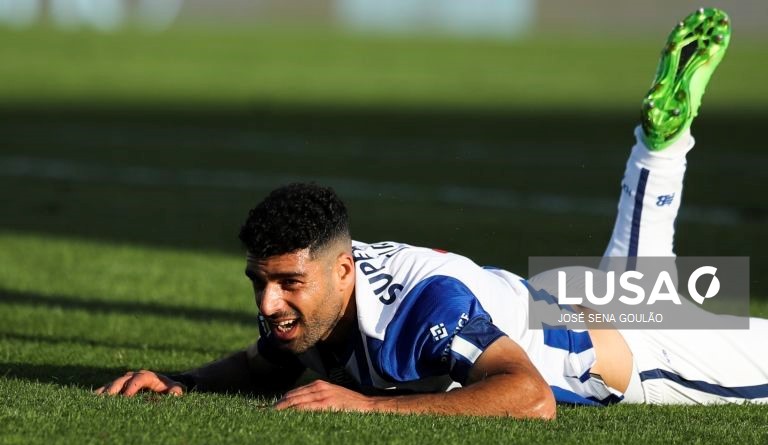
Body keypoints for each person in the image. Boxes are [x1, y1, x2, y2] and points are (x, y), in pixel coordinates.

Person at [96, 8, 768, 417]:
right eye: (260, 282)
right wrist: (183, 381)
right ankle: (661, 144)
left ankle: (662, 145)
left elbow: (530, 397)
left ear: (343, 270)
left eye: (286, 284)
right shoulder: (314, 295)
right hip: (555, 305)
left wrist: (368, 407)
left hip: (634, 353)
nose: (269, 304)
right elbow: (263, 364)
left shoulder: (417, 311)